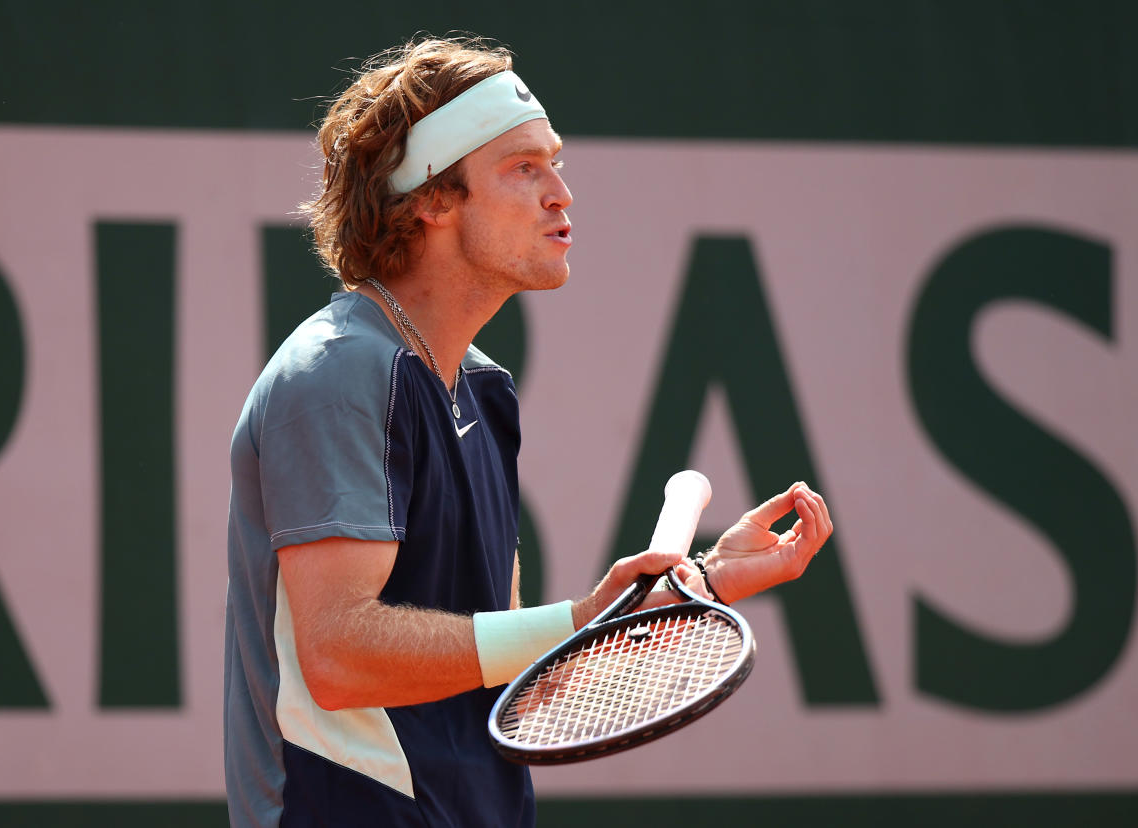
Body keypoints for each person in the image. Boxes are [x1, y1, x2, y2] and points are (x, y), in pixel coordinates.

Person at [223, 35, 833, 828]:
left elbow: (516, 682)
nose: (561, 193)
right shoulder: (336, 376)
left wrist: (700, 586)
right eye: (524, 168)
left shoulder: (483, 388)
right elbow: (337, 657)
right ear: (433, 199)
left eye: (556, 162)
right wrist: (577, 617)